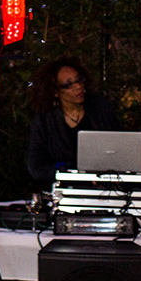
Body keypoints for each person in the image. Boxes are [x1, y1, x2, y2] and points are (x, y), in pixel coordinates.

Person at [26, 56, 121, 185]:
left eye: (79, 80)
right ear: (56, 92)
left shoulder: (100, 108)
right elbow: (36, 167)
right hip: (65, 189)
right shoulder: (45, 120)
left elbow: (119, 147)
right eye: (68, 85)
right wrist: (68, 171)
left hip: (103, 187)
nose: (78, 87)